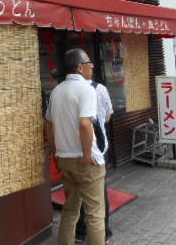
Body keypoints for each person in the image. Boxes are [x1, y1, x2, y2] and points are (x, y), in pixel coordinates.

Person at [46, 48, 105, 245]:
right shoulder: (86, 89)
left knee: (70, 210)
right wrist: (87, 155)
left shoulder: (57, 91)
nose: (92, 66)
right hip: (85, 160)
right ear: (80, 67)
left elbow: (49, 123)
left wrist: (55, 152)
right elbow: (85, 124)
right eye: (89, 62)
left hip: (65, 159)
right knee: (95, 213)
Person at [74, 70, 113, 243]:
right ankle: (104, 231)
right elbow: (108, 116)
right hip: (97, 149)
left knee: (78, 192)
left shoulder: (65, 90)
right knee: (98, 193)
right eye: (89, 64)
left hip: (74, 149)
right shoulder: (100, 89)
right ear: (81, 68)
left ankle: (80, 231)